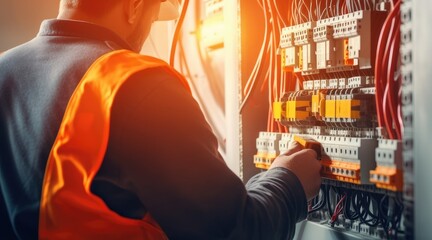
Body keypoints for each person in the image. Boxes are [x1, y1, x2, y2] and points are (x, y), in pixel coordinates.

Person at [0, 0, 321, 239]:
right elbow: (236, 230)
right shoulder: (136, 83)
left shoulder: (5, 70)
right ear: (135, 8)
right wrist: (289, 181)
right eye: (154, 16)